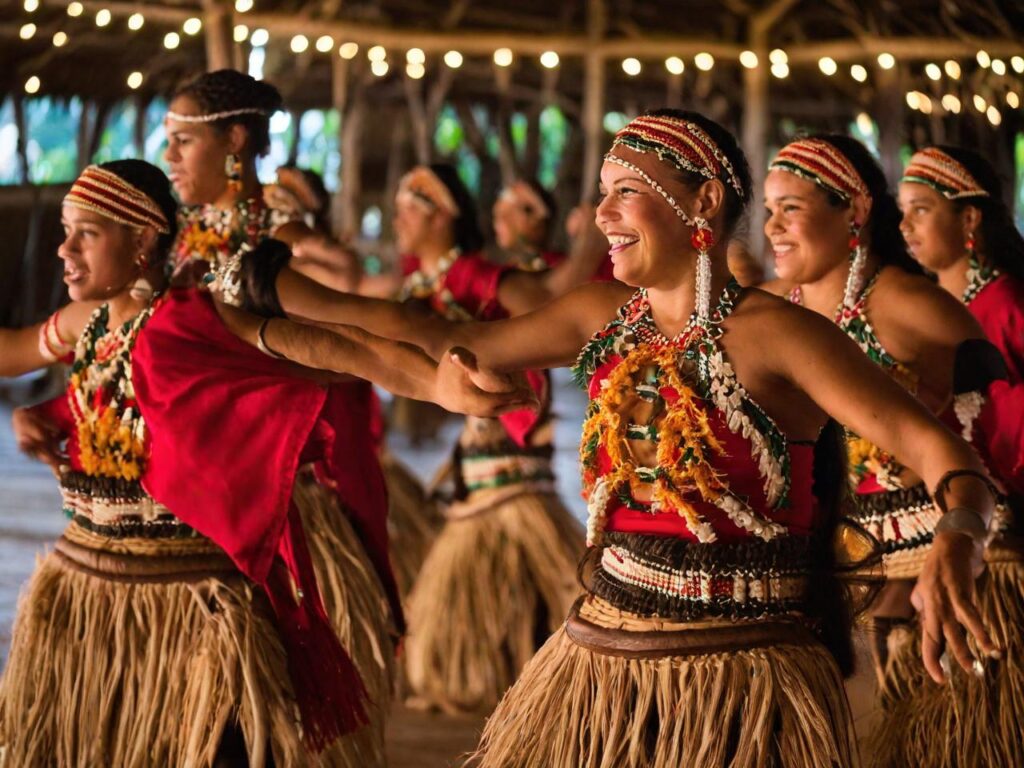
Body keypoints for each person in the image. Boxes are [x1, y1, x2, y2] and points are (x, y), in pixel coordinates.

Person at [251, 110, 1001, 766]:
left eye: (625, 191)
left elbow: (947, 459)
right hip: (602, 658)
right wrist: (267, 308)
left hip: (745, 677)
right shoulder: (601, 316)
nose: (602, 213)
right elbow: (437, 335)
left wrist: (959, 539)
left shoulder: (783, 336)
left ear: (702, 201)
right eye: (603, 192)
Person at [4, 160, 527, 767]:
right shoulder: (86, 324)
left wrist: (438, 386)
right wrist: (45, 413)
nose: (63, 249)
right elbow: (12, 350)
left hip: (187, 600)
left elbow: (337, 343)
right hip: (89, 588)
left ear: (143, 239)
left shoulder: (187, 319)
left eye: (85, 233)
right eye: (64, 232)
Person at [763, 135, 1013, 764]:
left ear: (852, 210)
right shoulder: (768, 311)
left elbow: (997, 428)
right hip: (825, 566)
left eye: (790, 208)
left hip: (931, 565)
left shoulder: (905, 304)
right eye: (767, 210)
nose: (772, 227)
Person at [885, 145, 1024, 766]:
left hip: (996, 539)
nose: (905, 226)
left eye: (921, 210)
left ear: (970, 221)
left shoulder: (1004, 306)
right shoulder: (929, 305)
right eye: (901, 213)